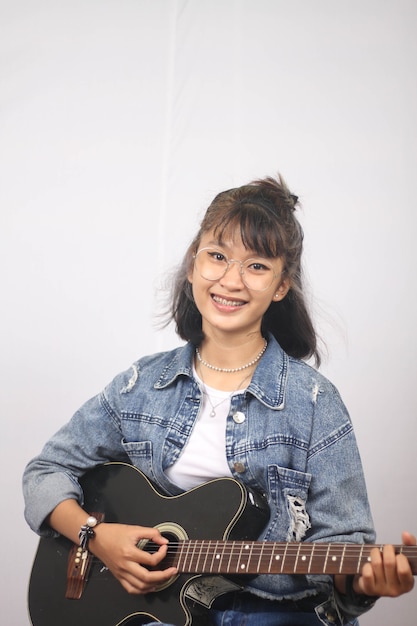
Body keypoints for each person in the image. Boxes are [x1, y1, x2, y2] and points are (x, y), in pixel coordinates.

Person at [23, 174, 415, 626]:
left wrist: (364, 581)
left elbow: (344, 542)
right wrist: (97, 537)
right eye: (217, 257)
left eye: (257, 266)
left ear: (282, 285)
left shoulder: (314, 403)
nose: (231, 280)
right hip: (157, 614)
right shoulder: (140, 386)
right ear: (193, 265)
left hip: (277, 612)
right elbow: (45, 471)